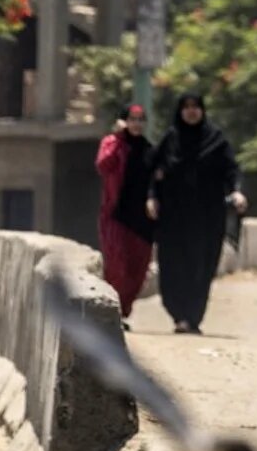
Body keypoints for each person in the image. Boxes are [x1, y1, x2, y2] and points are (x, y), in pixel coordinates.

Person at [148, 93, 247, 334]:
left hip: (207, 217)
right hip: (174, 217)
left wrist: (238, 192)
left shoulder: (216, 139)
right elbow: (152, 170)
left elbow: (232, 170)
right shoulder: (171, 139)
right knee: (172, 265)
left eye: (195, 107)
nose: (191, 112)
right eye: (186, 107)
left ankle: (192, 317)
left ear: (202, 110)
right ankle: (178, 313)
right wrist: (151, 196)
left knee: (201, 266)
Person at [95, 104, 154, 328]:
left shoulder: (150, 150)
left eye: (140, 119)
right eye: (132, 119)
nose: (136, 124)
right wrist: (119, 137)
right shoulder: (112, 144)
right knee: (117, 264)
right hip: (116, 215)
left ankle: (123, 310)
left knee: (138, 270)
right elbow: (103, 165)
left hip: (143, 220)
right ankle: (113, 314)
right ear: (124, 121)